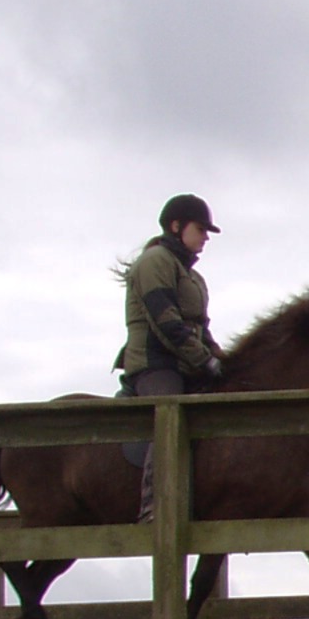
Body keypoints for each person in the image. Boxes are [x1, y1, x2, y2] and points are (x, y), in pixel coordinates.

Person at [115, 195, 226, 520]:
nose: (205, 237)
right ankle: (155, 505)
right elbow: (167, 324)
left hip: (185, 362)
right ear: (176, 226)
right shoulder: (155, 262)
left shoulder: (193, 277)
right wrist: (204, 361)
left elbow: (201, 329)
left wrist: (221, 359)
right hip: (156, 365)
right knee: (171, 415)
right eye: (200, 228)